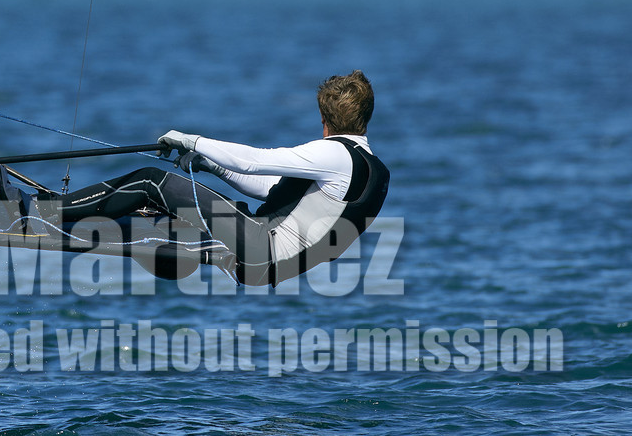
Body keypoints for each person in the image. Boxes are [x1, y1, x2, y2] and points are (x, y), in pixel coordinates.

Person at [53, 70, 390, 286]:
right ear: (367, 116)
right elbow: (272, 190)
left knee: (151, 181)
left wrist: (191, 140)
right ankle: (132, 229)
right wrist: (213, 166)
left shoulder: (334, 154)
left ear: (323, 118)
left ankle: (47, 212)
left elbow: (256, 162)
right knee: (163, 210)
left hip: (263, 248)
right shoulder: (370, 168)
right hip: (271, 261)